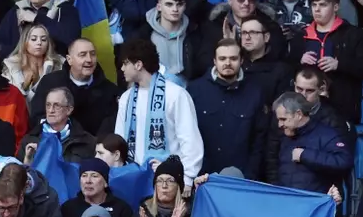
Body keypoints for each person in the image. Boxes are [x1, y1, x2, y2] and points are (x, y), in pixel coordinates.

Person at [113, 39, 203, 180]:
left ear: (138, 65)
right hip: (132, 177)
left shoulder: (176, 94)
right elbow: (119, 140)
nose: (122, 69)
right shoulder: (126, 98)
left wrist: (187, 177)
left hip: (168, 180)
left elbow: (190, 140)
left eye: (125, 63)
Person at [187, 40, 270, 178]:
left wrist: (250, 174)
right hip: (202, 176)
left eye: (233, 58)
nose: (227, 63)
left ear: (242, 60)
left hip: (241, 177)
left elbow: (259, 140)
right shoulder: (195, 90)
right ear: (214, 61)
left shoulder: (255, 92)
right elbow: (186, 134)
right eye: (222, 58)